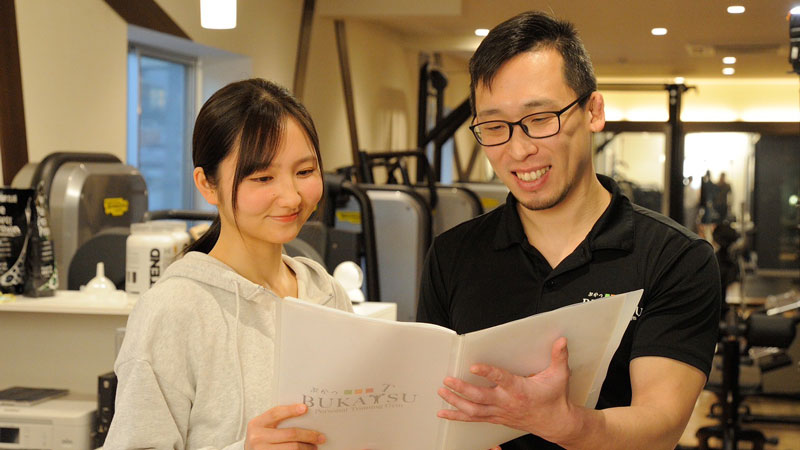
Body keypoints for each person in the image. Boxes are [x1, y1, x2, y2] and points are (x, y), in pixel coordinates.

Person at [417, 11, 721, 450]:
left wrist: (569, 426)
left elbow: (661, 425)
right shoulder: (452, 255)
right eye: (494, 127)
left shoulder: (675, 257)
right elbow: (430, 401)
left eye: (540, 118)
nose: (519, 149)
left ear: (593, 111)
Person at [104, 79, 353, 449]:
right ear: (207, 184)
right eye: (263, 177)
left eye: (304, 172)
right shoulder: (173, 310)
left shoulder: (327, 293)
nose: (291, 197)